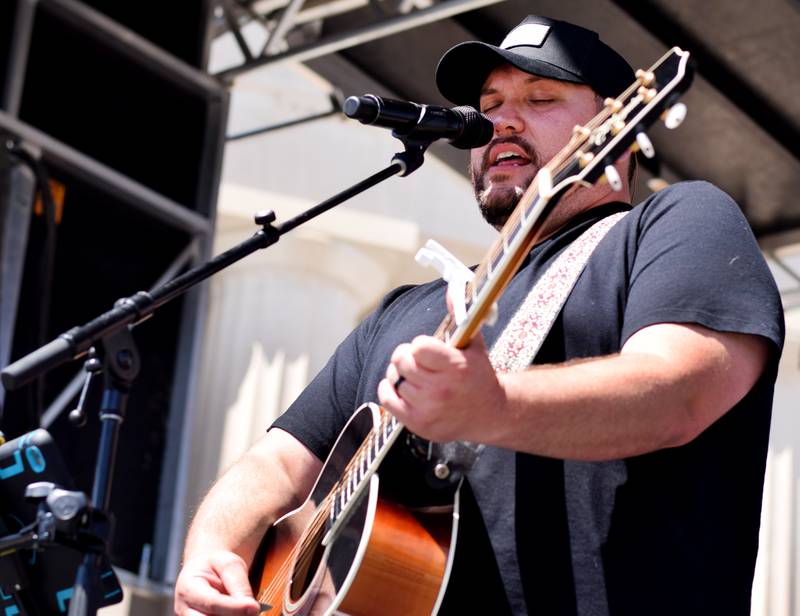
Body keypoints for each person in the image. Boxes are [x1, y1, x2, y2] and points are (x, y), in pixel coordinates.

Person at [174, 15, 784, 616]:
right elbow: (279, 459)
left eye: (541, 98)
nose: (503, 120)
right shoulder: (405, 312)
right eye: (489, 103)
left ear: (616, 131)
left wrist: (493, 408)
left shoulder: (674, 225)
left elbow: (678, 391)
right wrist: (212, 549)